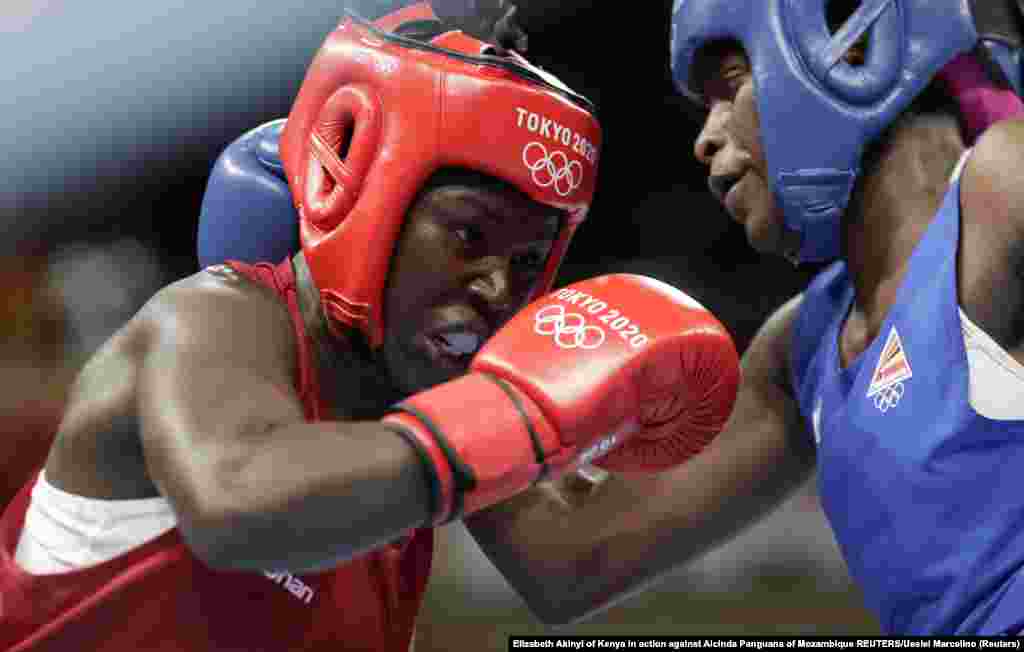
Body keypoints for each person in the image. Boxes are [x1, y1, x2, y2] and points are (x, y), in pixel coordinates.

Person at [202, 0, 1024, 636]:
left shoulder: (1002, 188)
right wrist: (395, 305)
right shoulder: (805, 349)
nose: (704, 141)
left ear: (848, 49)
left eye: (727, 89)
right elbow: (570, 557)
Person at [0, 4, 740, 650]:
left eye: (528, 262)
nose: (497, 287)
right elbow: (234, 501)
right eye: (469, 238)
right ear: (370, 201)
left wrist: (792, 373)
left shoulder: (407, 404)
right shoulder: (210, 319)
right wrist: (519, 416)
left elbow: (572, 558)